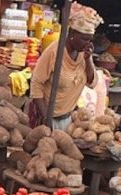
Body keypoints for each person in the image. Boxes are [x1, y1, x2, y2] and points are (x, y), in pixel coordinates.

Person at [29, 2, 102, 130]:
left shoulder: (83, 54)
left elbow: (92, 83)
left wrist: (88, 59)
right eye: (84, 39)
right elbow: (36, 83)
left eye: (90, 39)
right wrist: (46, 117)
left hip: (67, 119)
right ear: (72, 34)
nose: (88, 44)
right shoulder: (54, 52)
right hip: (46, 117)